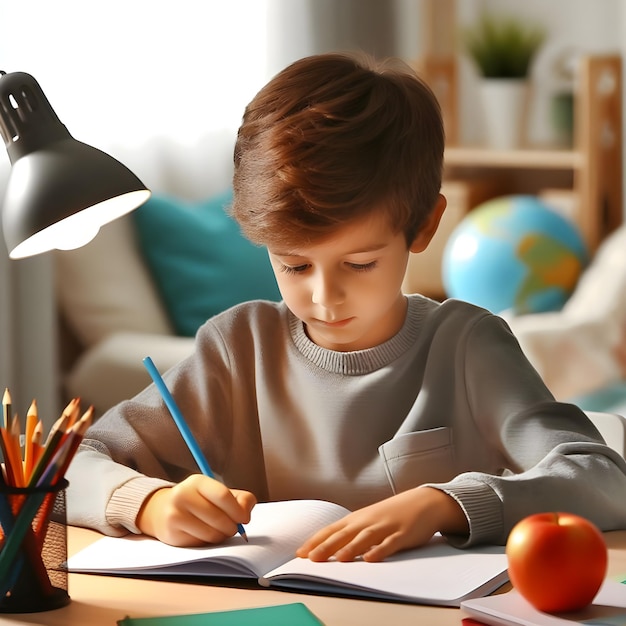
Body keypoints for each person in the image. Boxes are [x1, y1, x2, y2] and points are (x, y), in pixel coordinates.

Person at [66, 51, 626, 563]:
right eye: (294, 265)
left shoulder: (467, 346)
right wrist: (148, 503)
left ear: (425, 225)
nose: (323, 297)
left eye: (359, 264)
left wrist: (446, 504)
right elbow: (68, 464)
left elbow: (602, 477)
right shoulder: (237, 349)